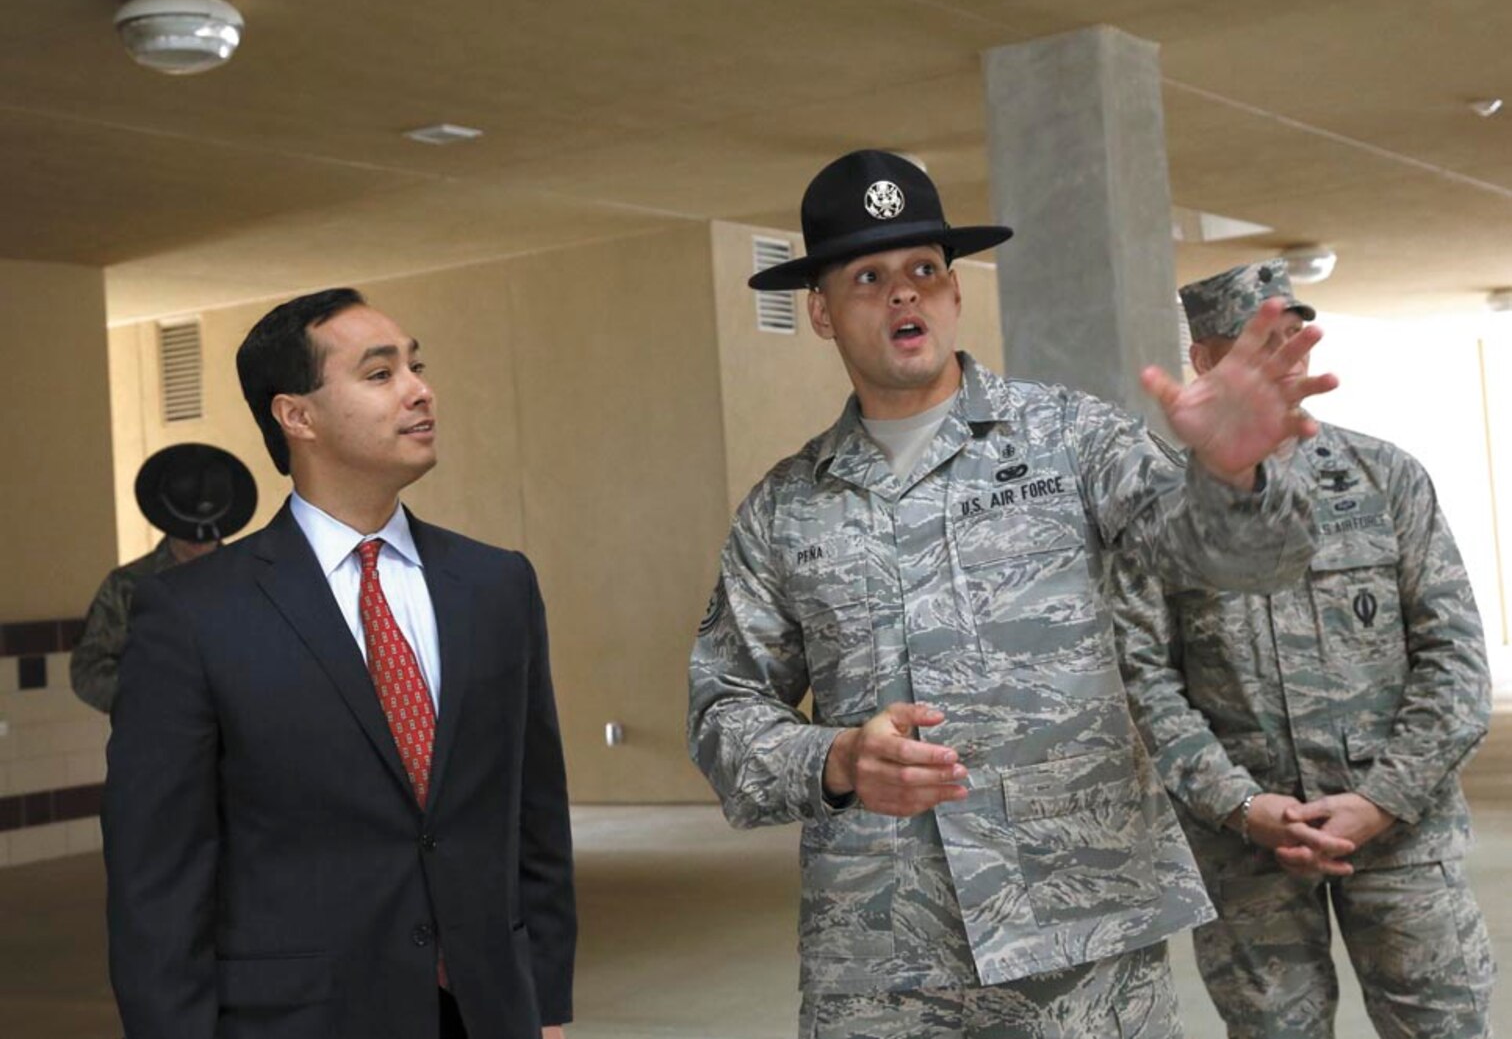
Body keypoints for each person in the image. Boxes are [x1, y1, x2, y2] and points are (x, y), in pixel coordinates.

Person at [687, 150, 1337, 1038]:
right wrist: (834, 761)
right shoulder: (785, 507)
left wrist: (1234, 475)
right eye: (869, 277)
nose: (904, 295)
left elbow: (1230, 563)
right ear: (821, 313)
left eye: (924, 270)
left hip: (1085, 936)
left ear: (955, 294)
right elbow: (723, 709)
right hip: (882, 957)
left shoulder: (1073, 438)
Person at [103, 288, 576, 1039]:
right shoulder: (192, 616)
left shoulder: (496, 585)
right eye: (381, 374)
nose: (421, 390)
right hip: (296, 1017)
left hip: (488, 1009)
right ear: (297, 415)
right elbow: (155, 879)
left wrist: (546, 1004)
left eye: (416, 366)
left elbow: (535, 814)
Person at [1111, 259, 1495, 1039]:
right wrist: (1241, 806)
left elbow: (1455, 656)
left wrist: (1383, 800)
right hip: (1247, 846)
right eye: (1257, 348)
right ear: (1206, 365)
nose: (1283, 362)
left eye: (1293, 341)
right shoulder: (1158, 509)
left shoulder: (1383, 478)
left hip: (1401, 833)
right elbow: (1143, 681)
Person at [70, 442, 257, 713]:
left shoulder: (250, 581)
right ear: (169, 522)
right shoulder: (128, 587)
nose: (199, 544)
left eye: (206, 534)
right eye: (188, 532)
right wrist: (153, 699)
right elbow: (87, 670)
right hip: (162, 740)